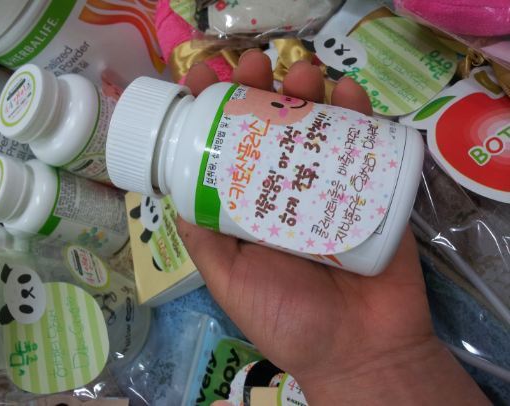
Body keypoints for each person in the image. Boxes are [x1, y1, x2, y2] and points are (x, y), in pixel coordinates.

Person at [178, 49, 490, 405]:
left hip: (366, 215)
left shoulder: (192, 182)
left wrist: (366, 361)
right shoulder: (192, 184)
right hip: (363, 229)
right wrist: (351, 361)